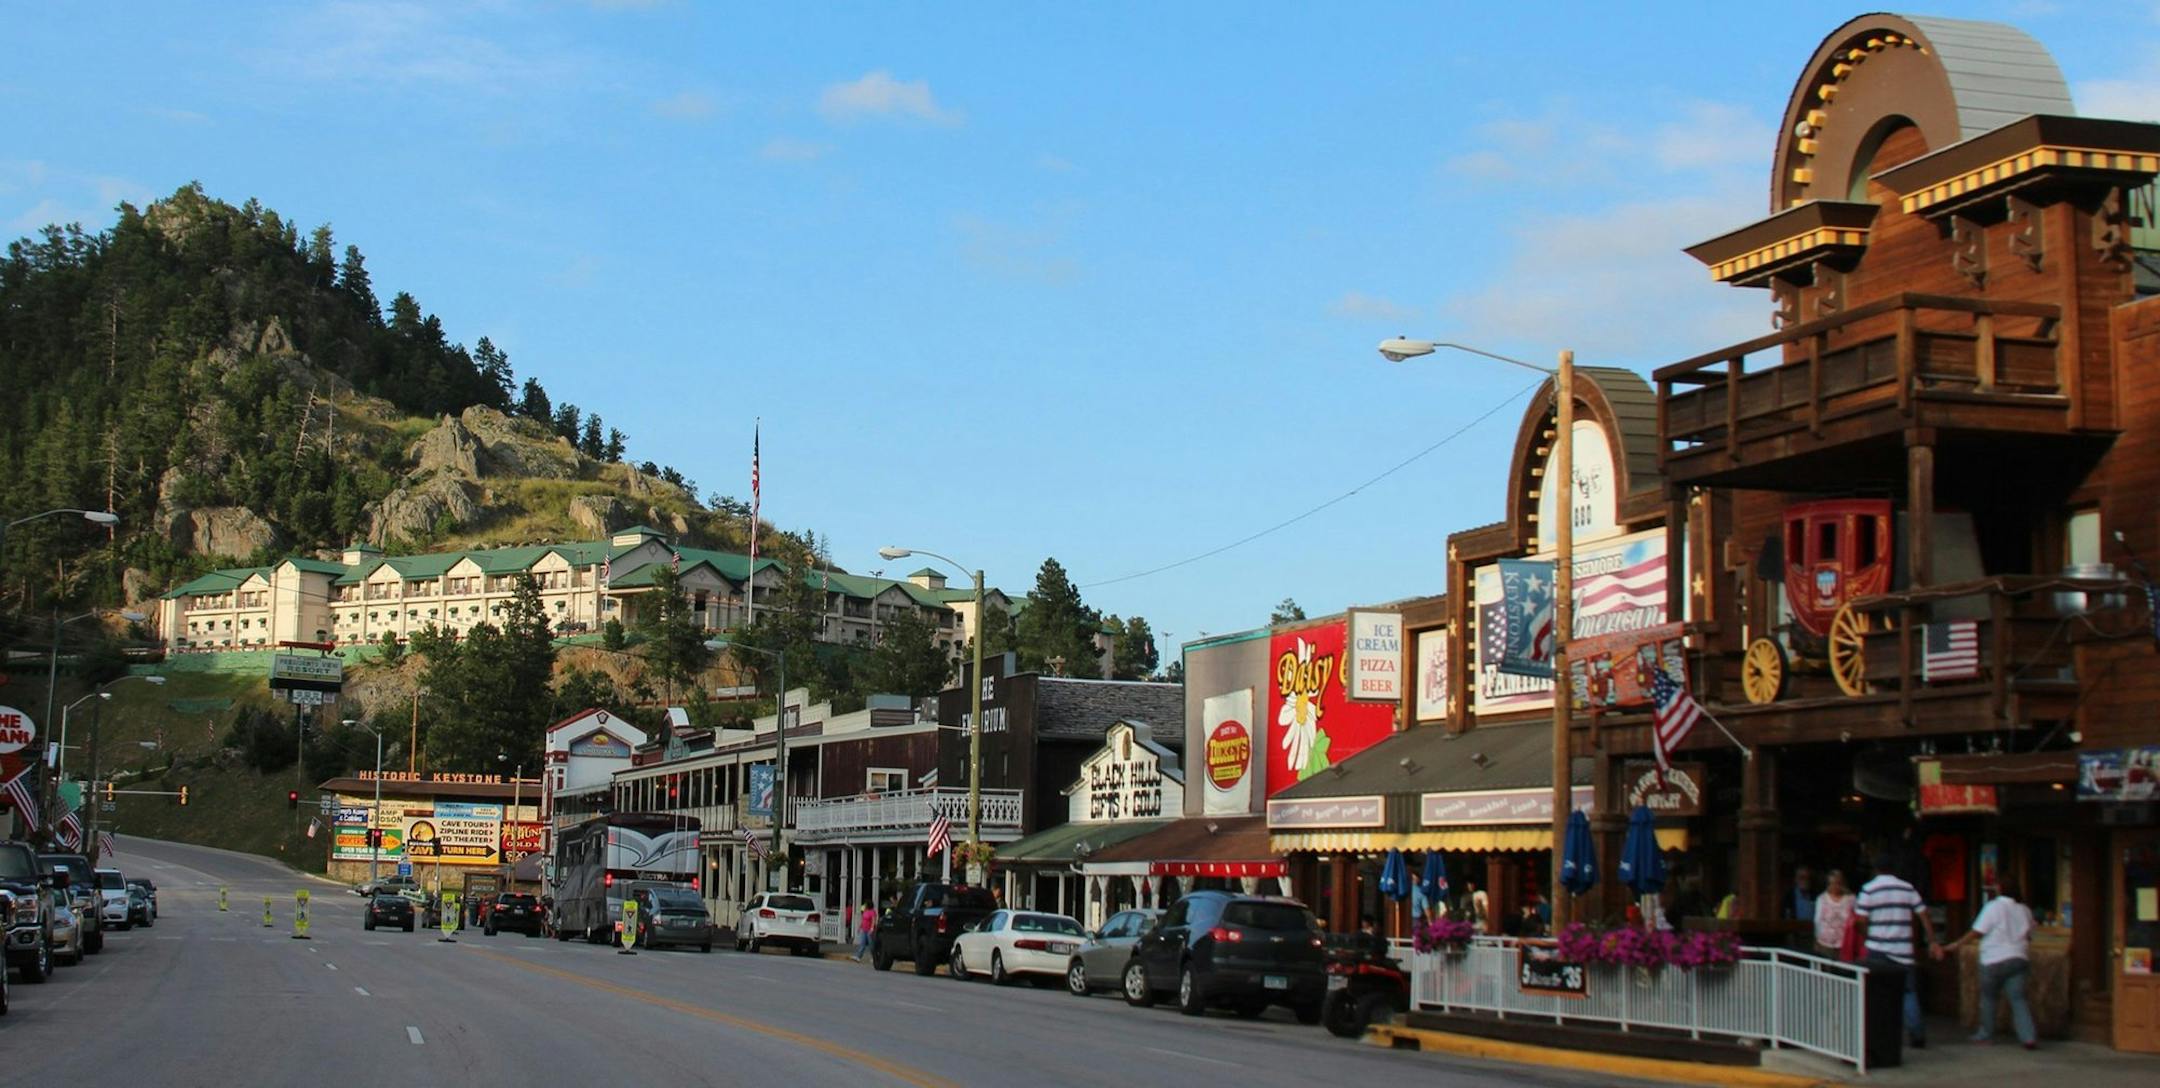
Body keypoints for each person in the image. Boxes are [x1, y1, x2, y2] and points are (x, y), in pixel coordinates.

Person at [1936, 880, 2037, 1050]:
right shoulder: (2025, 910)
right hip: (2018, 957)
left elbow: (1977, 931)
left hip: (1993, 958)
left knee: (1989, 998)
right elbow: (2029, 935)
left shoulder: (1993, 907)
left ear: (2001, 889)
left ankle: (1986, 1034)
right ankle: (2028, 1037)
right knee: (2018, 999)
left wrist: (1956, 945)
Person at [1855, 853, 1939, 1049]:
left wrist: (1867, 936)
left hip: (1877, 949)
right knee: (1908, 992)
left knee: (1878, 993)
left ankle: (1881, 1033)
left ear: (1876, 869)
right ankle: (1917, 1033)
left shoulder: (1869, 890)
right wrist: (1932, 940)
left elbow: (1860, 921)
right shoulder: (1907, 888)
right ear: (1894, 869)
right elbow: (1924, 914)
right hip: (1903, 950)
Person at [1813, 869, 1855, 959]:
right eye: (1832, 883)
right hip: (1825, 943)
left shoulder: (1851, 899)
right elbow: (1817, 920)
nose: (1835, 886)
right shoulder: (1821, 899)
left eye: (1838, 883)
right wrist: (1816, 938)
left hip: (1845, 944)